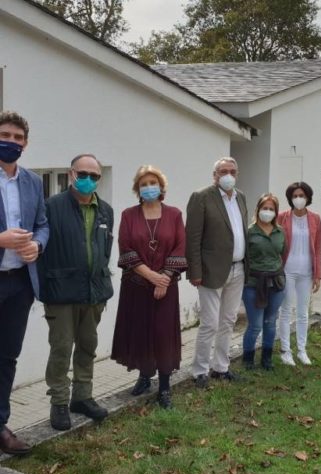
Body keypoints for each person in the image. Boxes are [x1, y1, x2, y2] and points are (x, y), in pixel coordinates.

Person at [38, 154, 113, 431]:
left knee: (87, 347)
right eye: (83, 174)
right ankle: (59, 402)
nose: (88, 180)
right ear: (71, 174)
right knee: (60, 349)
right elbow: (41, 250)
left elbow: (104, 251)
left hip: (94, 294)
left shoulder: (105, 210)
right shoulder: (51, 207)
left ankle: (82, 397)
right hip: (61, 293)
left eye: (94, 176)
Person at [111, 166, 187, 409]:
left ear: (161, 186)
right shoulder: (128, 215)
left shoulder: (174, 214)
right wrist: (153, 277)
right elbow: (126, 250)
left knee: (163, 335)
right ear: (137, 189)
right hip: (137, 285)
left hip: (167, 286)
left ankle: (164, 387)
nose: (148, 187)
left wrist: (164, 278)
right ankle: (144, 377)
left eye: (153, 182)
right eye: (143, 183)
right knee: (141, 331)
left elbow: (180, 247)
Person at [0, 111, 49, 455]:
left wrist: (38, 245)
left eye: (18, 138)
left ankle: (0, 424)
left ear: (26, 144)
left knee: (7, 358)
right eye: (5, 135)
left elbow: (43, 223)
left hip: (20, 284)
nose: (11, 142)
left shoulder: (33, 181)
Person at [186, 157, 248, 389]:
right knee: (210, 323)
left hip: (239, 268)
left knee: (228, 321)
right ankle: (200, 370)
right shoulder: (201, 197)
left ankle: (221, 367)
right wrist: (195, 271)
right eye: (223, 171)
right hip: (211, 270)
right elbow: (192, 237)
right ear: (215, 175)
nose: (228, 175)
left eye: (232, 171)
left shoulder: (240, 196)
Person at [277, 181, 321, 366]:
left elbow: (318, 247)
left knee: (303, 312)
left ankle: (302, 350)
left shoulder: (315, 218)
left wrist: (318, 274)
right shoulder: (282, 217)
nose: (298, 199)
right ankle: (285, 351)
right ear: (290, 198)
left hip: (306, 271)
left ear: (308, 198)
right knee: (286, 310)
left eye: (301, 196)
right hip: (287, 270)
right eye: (295, 196)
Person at [242, 194, 286, 370]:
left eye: (271, 209)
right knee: (255, 325)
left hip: (276, 283)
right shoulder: (249, 232)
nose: (267, 212)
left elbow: (282, 253)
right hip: (253, 284)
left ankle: (267, 359)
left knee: (270, 322)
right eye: (264, 208)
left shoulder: (280, 232)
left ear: (276, 212)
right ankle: (248, 359)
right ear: (258, 210)